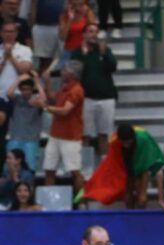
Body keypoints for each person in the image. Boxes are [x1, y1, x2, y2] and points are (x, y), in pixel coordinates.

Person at [70, 22, 116, 159]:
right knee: (86, 134)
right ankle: (86, 166)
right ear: (84, 34)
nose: (93, 35)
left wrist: (104, 53)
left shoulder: (104, 50)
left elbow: (113, 67)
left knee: (104, 134)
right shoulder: (77, 52)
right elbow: (74, 73)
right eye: (90, 31)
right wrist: (84, 55)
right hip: (86, 99)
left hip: (106, 97)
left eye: (95, 32)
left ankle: (104, 165)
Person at [43, 60, 86, 199]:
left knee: (74, 171)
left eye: (65, 70)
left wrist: (45, 107)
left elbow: (65, 111)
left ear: (72, 74)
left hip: (70, 136)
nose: (62, 72)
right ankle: (50, 200)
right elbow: (52, 98)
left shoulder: (76, 90)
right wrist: (47, 81)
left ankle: (80, 199)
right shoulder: (64, 87)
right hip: (55, 134)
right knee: (49, 169)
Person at [5, 73, 43, 172]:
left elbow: (44, 100)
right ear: (20, 90)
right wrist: (19, 79)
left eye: (28, 89)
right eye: (23, 89)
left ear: (32, 89)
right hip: (15, 139)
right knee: (10, 169)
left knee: (30, 169)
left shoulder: (37, 101)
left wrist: (37, 82)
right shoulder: (17, 99)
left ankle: (29, 187)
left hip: (31, 141)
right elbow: (9, 93)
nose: (26, 91)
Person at [0, 20, 32, 100]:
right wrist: (4, 59)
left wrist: (10, 56)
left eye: (11, 32)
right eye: (6, 31)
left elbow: (24, 71)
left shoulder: (25, 50)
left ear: (16, 34)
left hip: (17, 94)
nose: (8, 34)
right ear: (1, 33)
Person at [30, 0, 65, 71]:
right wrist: (33, 25)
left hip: (57, 26)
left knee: (54, 58)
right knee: (40, 59)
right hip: (40, 25)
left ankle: (48, 76)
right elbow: (33, 7)